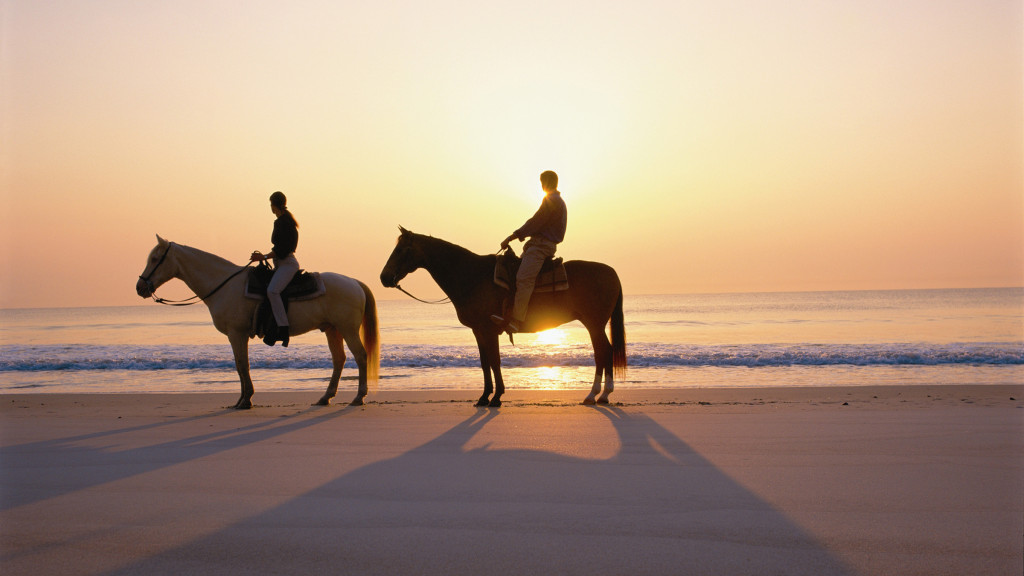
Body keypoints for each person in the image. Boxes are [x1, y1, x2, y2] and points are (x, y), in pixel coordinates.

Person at [491, 170, 567, 333]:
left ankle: (516, 321)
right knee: (515, 273)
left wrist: (513, 236)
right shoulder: (555, 200)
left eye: (542, 182)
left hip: (541, 246)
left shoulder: (552, 200)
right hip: (536, 245)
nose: (541, 186)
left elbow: (535, 222)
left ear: (546, 183)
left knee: (523, 278)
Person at [250, 191, 299, 347]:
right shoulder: (286, 220)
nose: (270, 207)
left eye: (271, 204)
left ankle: (283, 328)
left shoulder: (282, 222)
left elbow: (282, 249)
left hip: (286, 263)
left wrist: (263, 257)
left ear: (274, 205)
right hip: (282, 263)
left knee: (272, 291)